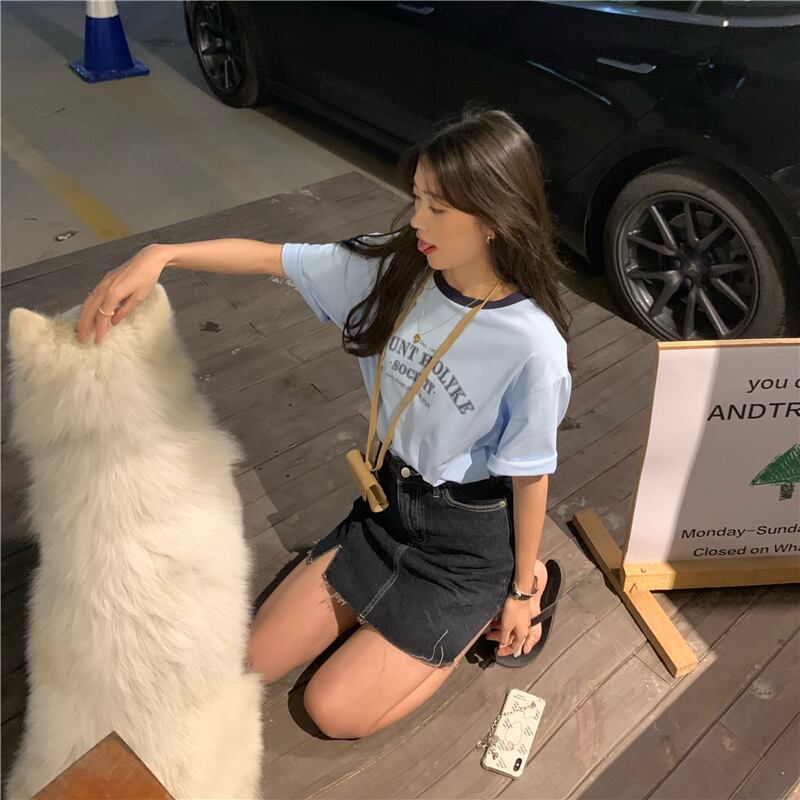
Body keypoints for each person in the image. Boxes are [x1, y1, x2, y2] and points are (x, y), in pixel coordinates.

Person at [75, 107, 574, 741]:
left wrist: (522, 590)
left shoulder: (533, 345)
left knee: (332, 710)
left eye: (439, 208)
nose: (417, 221)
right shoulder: (397, 268)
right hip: (384, 507)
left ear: (496, 218)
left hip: (463, 543)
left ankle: (481, 611)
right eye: (417, 198)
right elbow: (271, 258)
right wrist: (164, 254)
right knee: (250, 662)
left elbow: (530, 475)